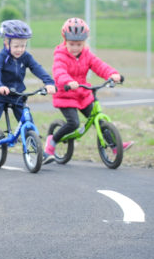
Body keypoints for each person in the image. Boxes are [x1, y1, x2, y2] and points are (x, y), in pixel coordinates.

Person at [44, 17, 133, 158]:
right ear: (65, 40)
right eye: (71, 44)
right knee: (73, 123)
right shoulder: (60, 56)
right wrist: (68, 81)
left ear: (84, 42)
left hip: (82, 94)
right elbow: (59, 72)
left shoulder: (86, 54)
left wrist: (113, 74)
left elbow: (99, 65)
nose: (75, 48)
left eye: (79, 44)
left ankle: (115, 146)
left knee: (99, 118)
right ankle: (52, 141)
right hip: (65, 94)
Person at [0, 20, 56, 164]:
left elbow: (37, 68)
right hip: (0, 95)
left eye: (23, 46)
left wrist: (49, 82)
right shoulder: (2, 57)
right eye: (16, 46)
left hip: (17, 95)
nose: (20, 49)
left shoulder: (26, 57)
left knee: (27, 120)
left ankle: (37, 150)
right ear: (6, 43)